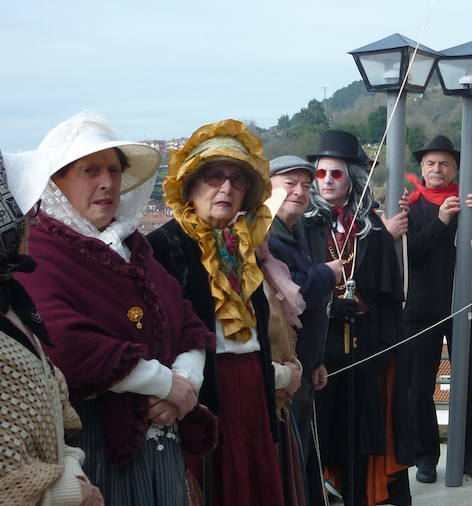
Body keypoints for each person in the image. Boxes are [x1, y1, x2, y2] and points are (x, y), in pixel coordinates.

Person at [16, 111, 218, 505]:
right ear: (56, 182)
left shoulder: (133, 250)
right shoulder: (40, 252)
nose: (107, 182)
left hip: (163, 443)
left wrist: (188, 383)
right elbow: (66, 344)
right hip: (97, 447)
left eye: (112, 170)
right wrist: (167, 384)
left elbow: (188, 320)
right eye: (90, 171)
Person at [147, 119, 296, 506]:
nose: (226, 188)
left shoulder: (242, 246)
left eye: (237, 180)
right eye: (214, 176)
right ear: (191, 184)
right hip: (204, 392)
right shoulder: (162, 247)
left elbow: (256, 333)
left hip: (253, 388)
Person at [305, 130, 412, 506]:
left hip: (366, 352)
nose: (328, 181)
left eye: (335, 173)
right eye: (320, 174)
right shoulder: (304, 228)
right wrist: (330, 306)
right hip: (320, 353)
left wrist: (384, 351)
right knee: (326, 436)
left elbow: (390, 298)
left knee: (364, 435)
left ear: (352, 176)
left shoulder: (374, 230)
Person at [0, 148, 104, 505]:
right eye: (25, 213)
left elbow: (57, 412)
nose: (34, 222)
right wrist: (70, 492)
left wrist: (71, 470)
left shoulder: (13, 302)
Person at [403, 135, 472, 484]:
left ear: (455, 169)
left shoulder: (469, 203)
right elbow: (407, 253)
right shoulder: (410, 205)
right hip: (419, 310)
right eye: (431, 163)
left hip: (466, 308)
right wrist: (440, 222)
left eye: (444, 163)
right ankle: (425, 458)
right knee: (418, 388)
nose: (437, 169)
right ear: (421, 168)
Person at [266, 154, 340, 505]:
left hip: (303, 369)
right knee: (286, 466)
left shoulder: (298, 233)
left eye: (305, 186)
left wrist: (316, 361)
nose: (299, 192)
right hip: (280, 374)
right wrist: (328, 273)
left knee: (303, 460)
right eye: (289, 184)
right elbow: (289, 295)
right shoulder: (265, 237)